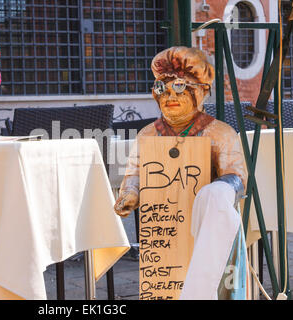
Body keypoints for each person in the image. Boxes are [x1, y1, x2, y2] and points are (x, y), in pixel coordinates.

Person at [114, 46, 250, 299]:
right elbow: (134, 173)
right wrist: (130, 194)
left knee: (218, 287)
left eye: (179, 88)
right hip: (164, 226)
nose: (169, 96)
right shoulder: (148, 134)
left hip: (210, 228)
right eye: (160, 89)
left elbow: (237, 176)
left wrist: (218, 191)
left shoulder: (219, 133)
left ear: (200, 92)